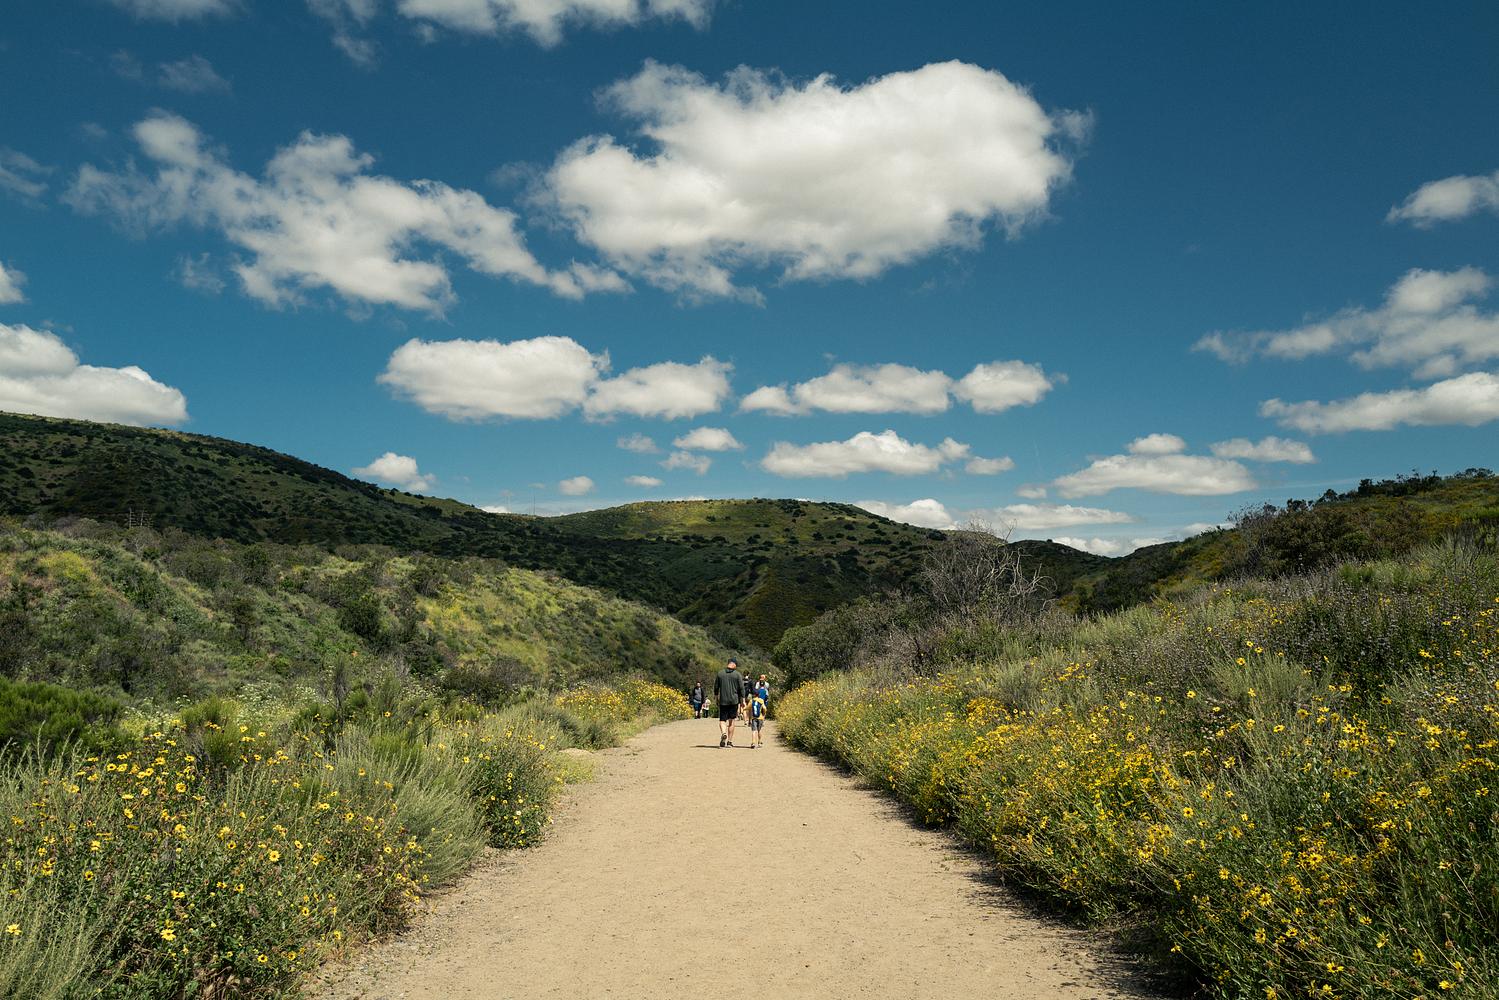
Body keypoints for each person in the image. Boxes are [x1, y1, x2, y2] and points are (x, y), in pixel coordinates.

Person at [714, 659, 744, 747]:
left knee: (722, 720)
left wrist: (716, 697)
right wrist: (742, 700)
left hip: (723, 701)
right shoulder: (737, 674)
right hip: (734, 701)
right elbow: (741, 688)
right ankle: (729, 742)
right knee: (731, 721)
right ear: (733, 664)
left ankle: (724, 733)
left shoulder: (720, 673)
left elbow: (716, 687)